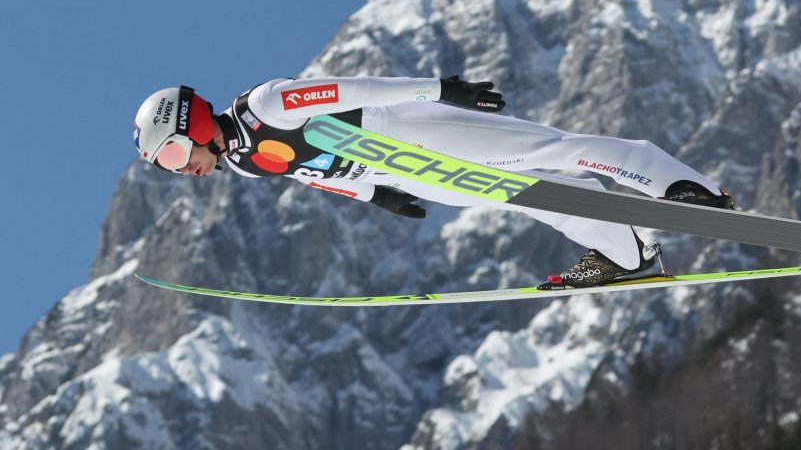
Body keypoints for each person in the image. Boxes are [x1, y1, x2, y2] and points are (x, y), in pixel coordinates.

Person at [133, 76, 733, 289]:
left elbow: (355, 89)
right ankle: (629, 256)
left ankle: (678, 187)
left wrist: (442, 91)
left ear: (195, 124)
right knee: (533, 196)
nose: (183, 168)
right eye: (168, 166)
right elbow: (309, 171)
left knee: (552, 153)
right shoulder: (242, 161)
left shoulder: (267, 104)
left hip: (405, 131)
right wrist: (374, 194)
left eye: (176, 152)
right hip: (400, 168)